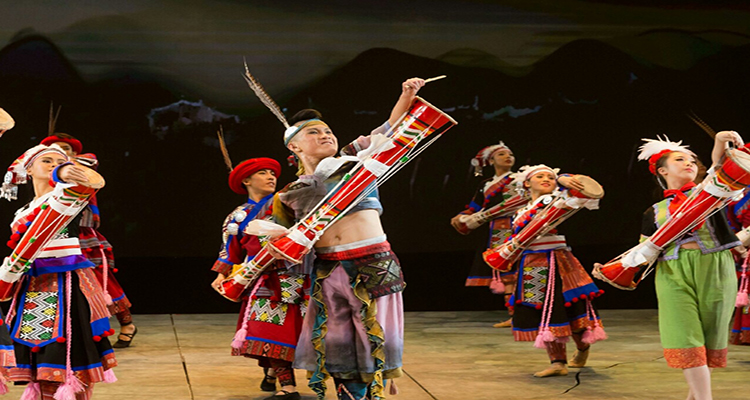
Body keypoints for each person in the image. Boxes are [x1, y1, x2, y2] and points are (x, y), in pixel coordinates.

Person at [269, 77, 425, 400]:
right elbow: (280, 242)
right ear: (294, 146)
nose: (325, 135)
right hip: (328, 270)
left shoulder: (355, 160)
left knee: (373, 340)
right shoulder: (289, 193)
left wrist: (407, 94)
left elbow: (391, 129)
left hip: (372, 262)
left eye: (328, 131)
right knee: (337, 344)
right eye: (314, 132)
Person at [597, 133, 742, 400]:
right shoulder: (653, 211)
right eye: (680, 159)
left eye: (692, 161)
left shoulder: (710, 192)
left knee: (708, 338)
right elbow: (644, 251)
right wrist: (620, 266)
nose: (689, 164)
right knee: (683, 334)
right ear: (662, 170)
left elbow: (719, 167)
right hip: (672, 271)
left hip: (715, 267)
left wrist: (720, 141)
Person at [0, 143, 117, 400]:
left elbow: (90, 177)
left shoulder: (66, 196)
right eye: (47, 161)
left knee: (70, 357)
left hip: (67, 283)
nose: (54, 165)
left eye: (59, 162)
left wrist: (62, 173)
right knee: (41, 355)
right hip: (33, 285)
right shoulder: (23, 211)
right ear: (29, 169)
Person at [211, 157, 309, 400]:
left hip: (297, 275)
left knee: (299, 329)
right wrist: (222, 273)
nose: (271, 177)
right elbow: (231, 247)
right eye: (263, 173)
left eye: (272, 173)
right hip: (261, 278)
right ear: (246, 180)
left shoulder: (288, 203)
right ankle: (287, 385)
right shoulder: (238, 216)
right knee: (269, 328)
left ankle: (272, 372)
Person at [494, 165, 605, 378]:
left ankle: (582, 349)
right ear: (527, 183)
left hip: (558, 262)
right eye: (540, 176)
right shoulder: (520, 212)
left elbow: (585, 192)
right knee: (544, 312)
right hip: (531, 264)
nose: (547, 179)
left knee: (569, 309)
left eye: (551, 177)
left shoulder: (558, 200)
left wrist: (564, 178)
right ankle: (557, 363)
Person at [40, 133, 137, 348]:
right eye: (54, 149)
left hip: (81, 234)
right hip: (52, 234)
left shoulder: (81, 166)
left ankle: (126, 323)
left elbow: (88, 161)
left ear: (74, 152)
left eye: (65, 148)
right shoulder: (42, 171)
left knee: (100, 280)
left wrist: (61, 164)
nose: (60, 152)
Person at [450, 142, 522, 328]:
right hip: (495, 231)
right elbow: (475, 206)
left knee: (516, 272)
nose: (508, 157)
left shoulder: (518, 180)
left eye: (510, 154)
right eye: (502, 155)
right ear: (491, 161)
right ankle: (514, 315)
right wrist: (462, 216)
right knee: (505, 274)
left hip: (516, 228)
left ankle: (522, 316)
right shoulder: (485, 184)